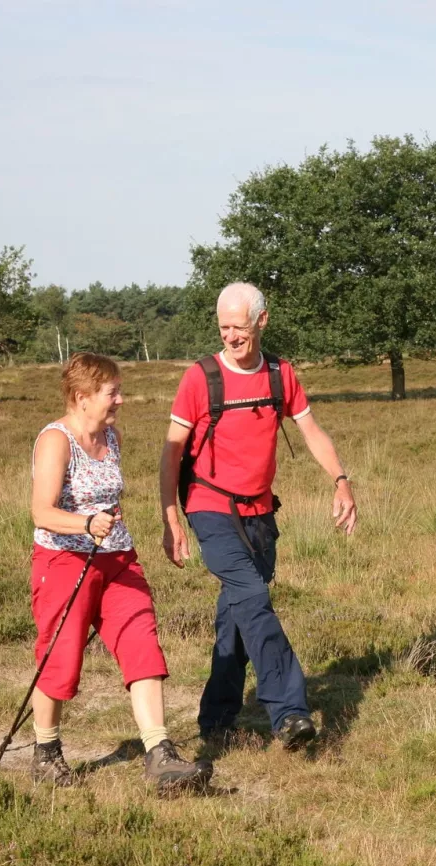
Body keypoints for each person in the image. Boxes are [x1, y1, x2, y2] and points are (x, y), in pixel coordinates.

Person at [158, 282, 358, 752]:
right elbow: (171, 454)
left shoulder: (279, 375)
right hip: (209, 505)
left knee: (237, 616)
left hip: (260, 512)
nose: (230, 336)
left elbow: (311, 431)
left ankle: (217, 718)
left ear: (262, 321)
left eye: (239, 327)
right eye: (223, 327)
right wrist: (171, 514)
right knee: (252, 597)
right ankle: (289, 711)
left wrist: (341, 481)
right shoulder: (200, 377)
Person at [28, 351, 210, 793]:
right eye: (112, 392)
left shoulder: (112, 436)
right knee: (61, 658)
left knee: (141, 642)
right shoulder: (55, 440)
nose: (120, 400)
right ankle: (46, 752)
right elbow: (41, 512)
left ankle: (159, 753)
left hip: (118, 558)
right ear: (82, 397)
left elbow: (109, 495)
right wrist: (86, 524)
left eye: (119, 391)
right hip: (64, 562)